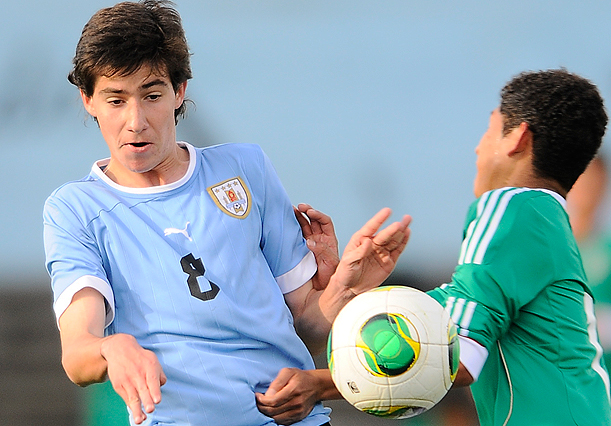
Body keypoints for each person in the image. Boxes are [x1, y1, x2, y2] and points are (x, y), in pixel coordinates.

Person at [42, 1, 412, 425]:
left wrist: (346, 291)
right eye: (115, 99)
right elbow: (78, 355)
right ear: (88, 100)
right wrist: (111, 347)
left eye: (152, 95)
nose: (136, 120)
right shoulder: (74, 210)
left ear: (179, 91)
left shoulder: (245, 169)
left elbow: (306, 321)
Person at [426, 69, 611, 425]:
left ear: (517, 137)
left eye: (488, 129)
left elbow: (460, 356)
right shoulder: (545, 220)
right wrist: (350, 290)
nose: (477, 145)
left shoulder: (512, 207)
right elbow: (444, 311)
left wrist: (321, 384)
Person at [567, 154, 611, 425]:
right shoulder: (550, 254)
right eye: (579, 182)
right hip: (569, 401)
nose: (585, 191)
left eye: (593, 182)